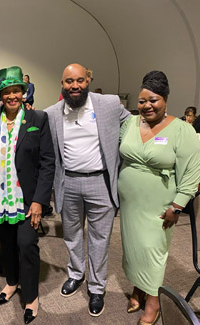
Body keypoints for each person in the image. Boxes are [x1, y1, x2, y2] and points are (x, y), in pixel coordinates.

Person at [44, 63, 130, 317]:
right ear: (62, 85)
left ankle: (96, 287)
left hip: (100, 182)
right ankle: (76, 274)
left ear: (88, 80)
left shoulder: (110, 104)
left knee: (99, 239)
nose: (75, 86)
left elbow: (134, 126)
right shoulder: (51, 113)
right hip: (68, 182)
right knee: (71, 235)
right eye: (69, 81)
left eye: (80, 80)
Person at [119, 71, 200, 324]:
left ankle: (153, 302)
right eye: (142, 101)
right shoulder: (130, 123)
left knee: (153, 252)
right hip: (130, 202)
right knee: (133, 249)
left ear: (165, 99)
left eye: (153, 100)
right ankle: (138, 287)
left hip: (160, 204)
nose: (147, 106)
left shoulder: (182, 129)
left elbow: (192, 171)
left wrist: (178, 206)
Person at [0, 66, 55, 324]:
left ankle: (32, 296)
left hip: (27, 199)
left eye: (16, 91)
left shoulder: (38, 119)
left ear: (23, 93)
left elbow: (48, 162)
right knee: (7, 242)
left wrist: (39, 200)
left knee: (26, 244)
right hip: (0, 198)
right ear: (0, 95)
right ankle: (12, 282)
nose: (12, 96)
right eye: (6, 92)